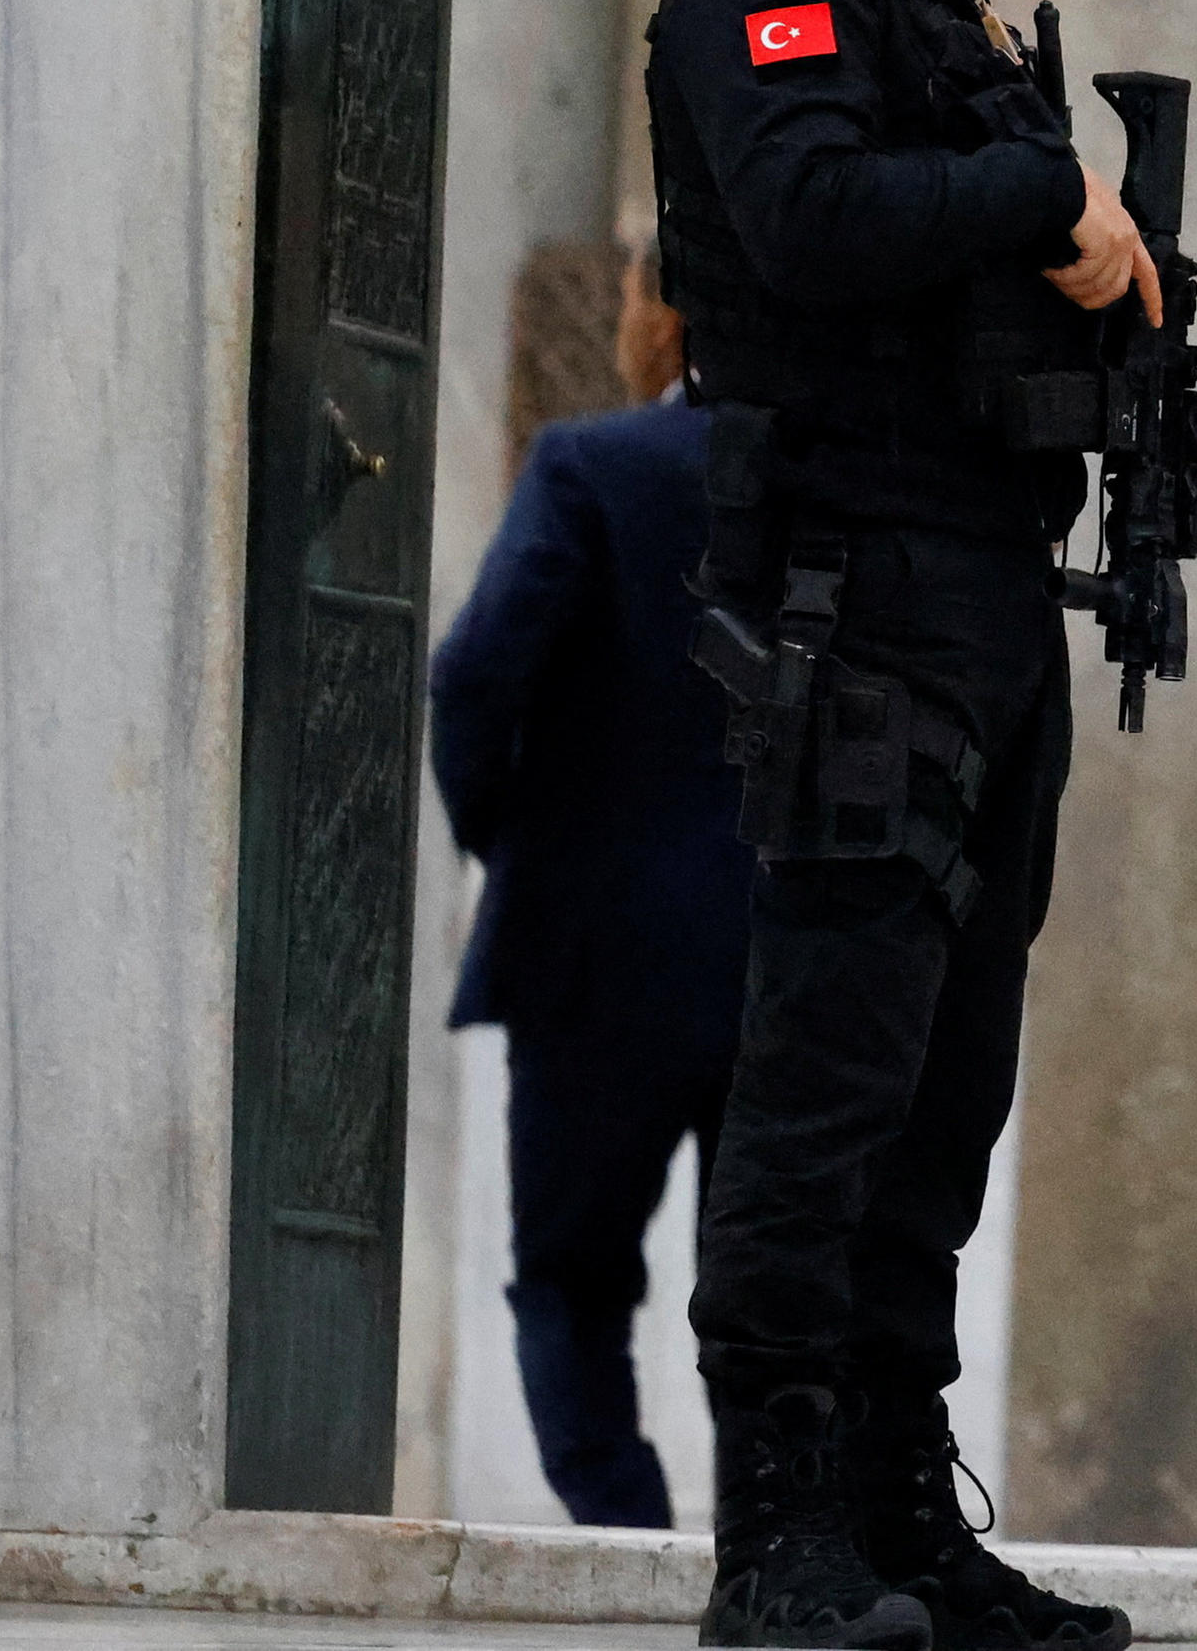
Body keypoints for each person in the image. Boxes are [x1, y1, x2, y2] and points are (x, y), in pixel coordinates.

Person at [649, 0, 1151, 1651]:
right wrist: (1041, 189)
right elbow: (811, 223)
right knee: (832, 1070)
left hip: (977, 570)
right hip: (857, 580)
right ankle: (777, 1540)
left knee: (944, 1080)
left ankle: (894, 1517)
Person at [430, 243, 755, 1531]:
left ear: (660, 315)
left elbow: (471, 677)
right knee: (775, 1302)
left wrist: (506, 836)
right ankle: (770, 1559)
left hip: (587, 955)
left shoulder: (593, 467)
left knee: (568, 1282)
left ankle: (628, 1546)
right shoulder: (850, 483)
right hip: (785, 968)